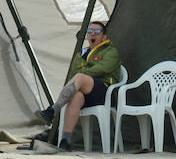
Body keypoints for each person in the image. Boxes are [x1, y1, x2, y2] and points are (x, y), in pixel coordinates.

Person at [38, 20, 122, 151]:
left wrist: (81, 75)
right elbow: (73, 74)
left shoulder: (111, 51)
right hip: (86, 93)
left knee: (79, 78)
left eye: (97, 32)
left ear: (104, 36)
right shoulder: (81, 54)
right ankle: (66, 141)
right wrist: (79, 77)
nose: (92, 34)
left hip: (104, 93)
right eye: (89, 31)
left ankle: (53, 110)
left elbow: (101, 69)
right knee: (76, 96)